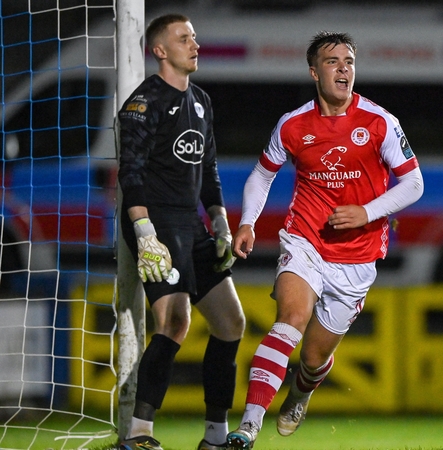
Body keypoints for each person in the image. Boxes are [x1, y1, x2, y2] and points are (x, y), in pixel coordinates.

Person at [224, 31, 424, 450]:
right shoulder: (293, 124)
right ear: (315, 72)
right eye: (333, 62)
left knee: (313, 359)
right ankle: (247, 426)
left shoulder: (379, 122)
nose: (344, 68)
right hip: (305, 241)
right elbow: (263, 174)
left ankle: (300, 394)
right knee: (291, 319)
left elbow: (414, 183)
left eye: (349, 61)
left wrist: (366, 212)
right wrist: (247, 223)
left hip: (359, 256)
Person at [116, 13, 245, 450]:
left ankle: (214, 437)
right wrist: (144, 231)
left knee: (231, 322)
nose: (195, 44)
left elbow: (207, 169)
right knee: (174, 322)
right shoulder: (143, 103)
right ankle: (138, 434)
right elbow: (129, 173)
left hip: (190, 222)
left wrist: (221, 221)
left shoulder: (202, 101)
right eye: (184, 38)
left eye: (195, 37)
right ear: (160, 51)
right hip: (154, 220)